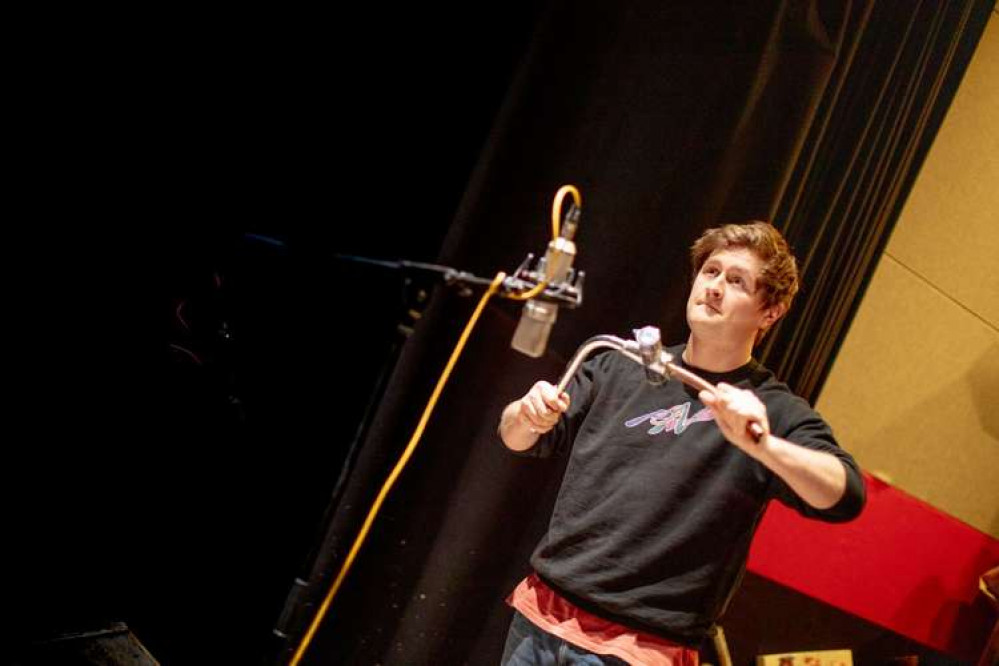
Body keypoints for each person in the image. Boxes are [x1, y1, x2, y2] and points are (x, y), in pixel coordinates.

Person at [497, 221, 866, 665]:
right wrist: (525, 413)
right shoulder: (620, 363)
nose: (714, 288)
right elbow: (516, 438)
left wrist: (764, 445)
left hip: (635, 648)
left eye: (737, 281)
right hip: (540, 615)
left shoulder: (770, 409)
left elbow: (845, 493)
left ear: (771, 312)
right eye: (710, 272)